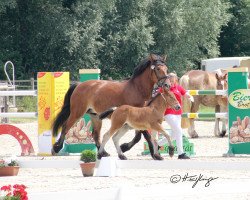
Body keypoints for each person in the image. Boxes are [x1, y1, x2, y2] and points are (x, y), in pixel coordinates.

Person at [158, 72, 194, 159]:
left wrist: (190, 97)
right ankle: (181, 153)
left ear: (176, 79)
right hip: (169, 112)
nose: (172, 79)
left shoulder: (178, 87)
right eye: (170, 78)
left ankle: (157, 145)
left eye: (173, 78)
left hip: (178, 113)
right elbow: (158, 95)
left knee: (174, 135)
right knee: (179, 131)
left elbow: (185, 93)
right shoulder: (165, 88)